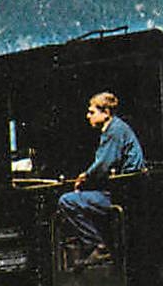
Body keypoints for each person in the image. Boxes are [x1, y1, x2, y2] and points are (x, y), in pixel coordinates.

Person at [57, 90, 145, 261]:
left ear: (106, 113)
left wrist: (84, 178)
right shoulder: (116, 129)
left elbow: (104, 164)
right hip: (125, 193)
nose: (87, 116)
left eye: (92, 112)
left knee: (67, 201)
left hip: (122, 196)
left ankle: (97, 246)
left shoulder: (114, 131)